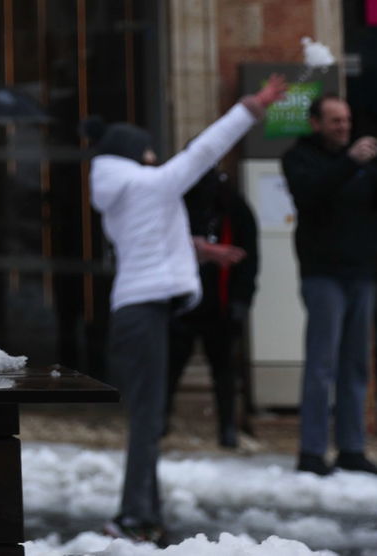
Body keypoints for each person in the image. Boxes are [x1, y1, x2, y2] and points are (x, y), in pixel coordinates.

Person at [85, 74, 286, 544]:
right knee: (148, 419)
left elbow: (152, 242)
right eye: (151, 153)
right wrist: (250, 108)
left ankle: (144, 514)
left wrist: (203, 251)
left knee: (148, 418)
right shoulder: (150, 185)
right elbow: (201, 152)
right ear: (136, 156)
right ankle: (132, 516)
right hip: (145, 312)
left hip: (139, 310)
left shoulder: (128, 193)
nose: (158, 158)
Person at [281, 94, 377, 476]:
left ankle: (352, 448)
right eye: (336, 121)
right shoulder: (299, 157)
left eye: (347, 120)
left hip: (360, 273)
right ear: (316, 123)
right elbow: (310, 196)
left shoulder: (364, 164)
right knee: (322, 365)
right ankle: (312, 451)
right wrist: (348, 162)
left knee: (355, 366)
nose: (344, 127)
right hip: (322, 274)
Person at [166, 167, 259, 448]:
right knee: (170, 368)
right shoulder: (176, 201)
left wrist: (241, 299)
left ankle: (227, 427)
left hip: (221, 301)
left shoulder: (233, 204)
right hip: (181, 301)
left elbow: (249, 256)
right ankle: (160, 420)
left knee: (224, 370)